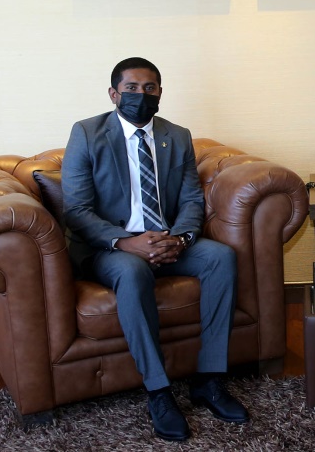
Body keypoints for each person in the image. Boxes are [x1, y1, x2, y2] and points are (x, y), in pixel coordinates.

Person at [62, 57, 247, 442]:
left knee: (221, 258)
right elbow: (76, 210)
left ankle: (210, 379)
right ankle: (159, 391)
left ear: (160, 93)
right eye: (131, 88)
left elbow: (191, 199)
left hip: (166, 240)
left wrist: (180, 239)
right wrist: (126, 242)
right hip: (110, 247)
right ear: (114, 94)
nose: (141, 95)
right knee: (132, 271)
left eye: (150, 88)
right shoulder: (87, 133)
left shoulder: (176, 135)